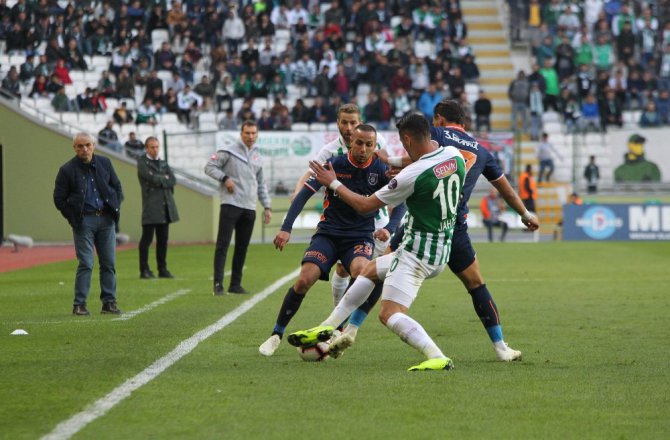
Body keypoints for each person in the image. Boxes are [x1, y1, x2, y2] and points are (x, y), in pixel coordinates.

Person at [326, 100, 539, 362]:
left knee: (381, 271)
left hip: (420, 225)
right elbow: (504, 186)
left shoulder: (435, 135)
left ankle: (351, 329)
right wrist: (526, 215)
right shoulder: (481, 150)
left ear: (437, 120)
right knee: (476, 285)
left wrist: (391, 161)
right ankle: (501, 347)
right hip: (454, 227)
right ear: (464, 122)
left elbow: (418, 159)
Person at [288, 114, 467, 371]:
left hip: (417, 255)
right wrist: (392, 160)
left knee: (389, 314)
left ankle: (436, 355)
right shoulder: (453, 154)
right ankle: (328, 326)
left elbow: (364, 205)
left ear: (406, 138)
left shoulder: (411, 176)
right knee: (370, 271)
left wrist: (333, 183)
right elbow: (416, 161)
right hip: (440, 248)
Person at [258, 124, 400, 357]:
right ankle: (276, 334)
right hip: (328, 234)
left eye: (369, 144)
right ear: (350, 142)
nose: (363, 149)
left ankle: (343, 330)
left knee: (364, 273)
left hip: (359, 237)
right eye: (359, 143)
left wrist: (389, 228)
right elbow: (304, 194)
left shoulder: (383, 170)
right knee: (304, 279)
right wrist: (286, 227)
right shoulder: (334, 165)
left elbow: (400, 199)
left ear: (376, 146)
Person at [289, 103, 396, 323]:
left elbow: (392, 176)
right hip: (343, 222)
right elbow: (312, 174)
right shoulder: (329, 152)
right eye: (344, 122)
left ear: (360, 123)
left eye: (353, 122)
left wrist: (391, 222)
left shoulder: (378, 142)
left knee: (372, 274)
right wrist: (298, 191)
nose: (348, 128)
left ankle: (346, 324)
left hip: (377, 221)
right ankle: (339, 320)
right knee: (344, 269)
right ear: (338, 123)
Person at [53, 133, 123, 316]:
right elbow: (59, 198)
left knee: (109, 263)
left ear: (94, 145)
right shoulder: (67, 170)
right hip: (84, 221)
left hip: (106, 220)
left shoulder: (105, 163)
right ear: (74, 148)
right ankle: (79, 304)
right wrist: (74, 217)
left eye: (88, 145)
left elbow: (117, 187)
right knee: (86, 263)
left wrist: (114, 205)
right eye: (80, 146)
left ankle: (109, 302)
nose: (85, 149)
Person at [204, 121, 272, 296]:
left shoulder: (258, 156)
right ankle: (218, 284)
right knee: (223, 244)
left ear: (257, 135)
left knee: (242, 247)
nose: (250, 137)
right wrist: (225, 178)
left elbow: (261, 184)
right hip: (231, 203)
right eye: (247, 133)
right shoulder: (228, 150)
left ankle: (235, 284)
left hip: (249, 206)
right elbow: (209, 167)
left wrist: (267, 206)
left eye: (253, 133)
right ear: (241, 134)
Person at [137, 137, 179, 279]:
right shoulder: (142, 162)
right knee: (147, 239)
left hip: (165, 205)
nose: (155, 150)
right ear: (146, 148)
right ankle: (144, 270)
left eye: (156, 147)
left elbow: (173, 180)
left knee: (163, 240)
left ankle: (162, 269)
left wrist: (163, 179)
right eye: (152, 147)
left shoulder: (163, 162)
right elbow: (152, 179)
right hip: (151, 206)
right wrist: (164, 178)